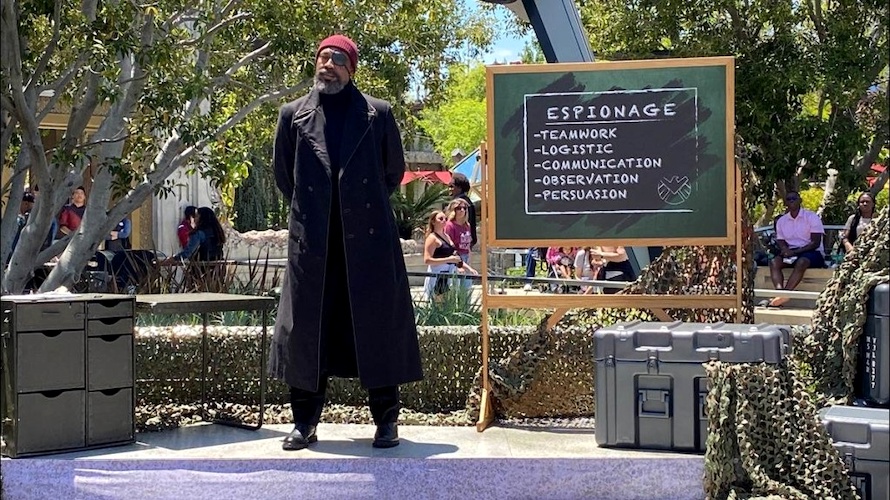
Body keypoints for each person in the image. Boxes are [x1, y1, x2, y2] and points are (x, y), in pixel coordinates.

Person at [268, 34, 422, 451]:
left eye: (337, 58)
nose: (328, 64)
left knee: (377, 330)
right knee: (307, 333)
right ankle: (304, 423)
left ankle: (387, 422)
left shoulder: (378, 113)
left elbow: (392, 173)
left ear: (351, 68)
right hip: (313, 245)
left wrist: (357, 208)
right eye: (323, 56)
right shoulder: (291, 115)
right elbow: (285, 177)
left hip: (368, 244)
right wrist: (317, 213)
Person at [765, 190, 826, 307]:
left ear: (800, 201)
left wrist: (795, 252)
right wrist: (785, 250)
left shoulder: (811, 217)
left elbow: (815, 243)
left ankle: (785, 294)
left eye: (794, 198)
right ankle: (780, 293)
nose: (791, 201)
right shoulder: (781, 221)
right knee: (774, 262)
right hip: (792, 252)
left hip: (812, 252)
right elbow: (781, 240)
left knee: (802, 262)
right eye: (789, 199)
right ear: (785, 203)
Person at [424, 210, 477, 300]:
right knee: (438, 303)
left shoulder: (447, 236)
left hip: (449, 275)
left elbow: (456, 258)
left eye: (445, 218)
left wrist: (469, 268)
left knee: (449, 303)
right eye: (440, 219)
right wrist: (448, 259)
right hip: (438, 276)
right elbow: (427, 260)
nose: (444, 221)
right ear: (433, 222)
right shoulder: (432, 238)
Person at [444, 198, 474, 289]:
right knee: (455, 288)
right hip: (455, 258)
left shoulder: (467, 225)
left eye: (464, 208)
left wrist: (469, 260)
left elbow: (468, 244)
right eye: (459, 208)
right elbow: (449, 247)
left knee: (466, 288)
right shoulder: (450, 226)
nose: (462, 210)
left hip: (466, 257)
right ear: (453, 210)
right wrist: (458, 265)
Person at [448, 173, 477, 249]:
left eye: (451, 186)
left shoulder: (462, 204)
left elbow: (468, 224)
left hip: (460, 245)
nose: (449, 189)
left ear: (459, 187)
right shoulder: (466, 202)